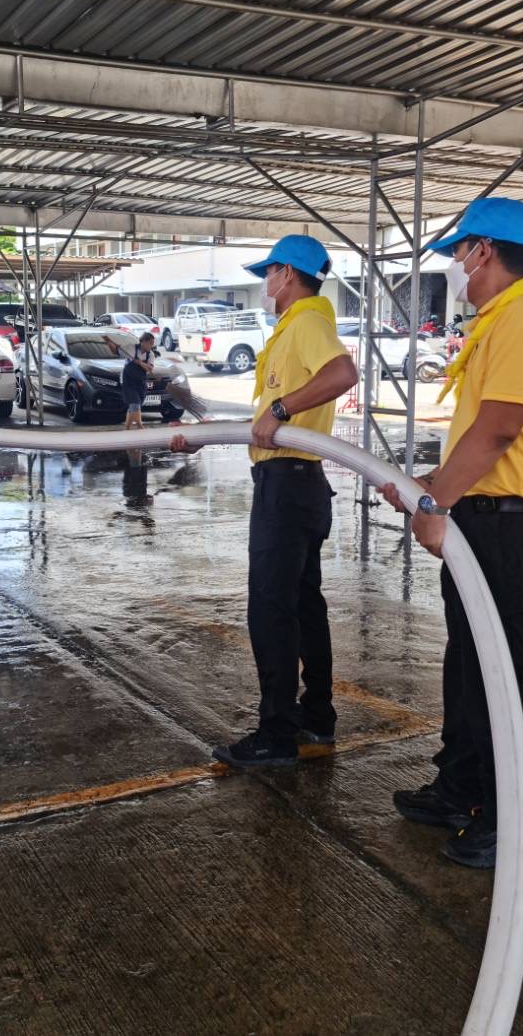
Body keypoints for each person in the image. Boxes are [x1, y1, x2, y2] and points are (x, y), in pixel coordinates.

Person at [379, 197, 523, 869]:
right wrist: (431, 486)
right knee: (470, 671)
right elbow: (481, 439)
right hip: (489, 524)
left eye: (459, 254)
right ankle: (461, 790)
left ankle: (515, 823)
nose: (456, 268)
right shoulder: (503, 318)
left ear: (484, 251)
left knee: (511, 682)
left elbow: (499, 431)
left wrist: (433, 501)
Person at [171, 234, 357, 768]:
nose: (265, 283)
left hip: (289, 485)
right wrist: (207, 434)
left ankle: (276, 734)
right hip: (300, 482)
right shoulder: (295, 327)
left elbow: (343, 374)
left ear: (288, 274)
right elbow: (263, 424)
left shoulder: (307, 323)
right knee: (303, 604)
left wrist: (279, 408)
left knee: (272, 609)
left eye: (269, 273)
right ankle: (316, 715)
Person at [108, 330, 157, 430]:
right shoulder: (131, 348)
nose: (151, 346)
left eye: (152, 344)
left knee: (135, 405)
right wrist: (109, 342)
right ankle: (140, 426)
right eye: (150, 343)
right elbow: (116, 351)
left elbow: (149, 369)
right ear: (143, 341)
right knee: (135, 403)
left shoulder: (150, 354)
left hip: (140, 382)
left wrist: (140, 363)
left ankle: (127, 427)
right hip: (128, 381)